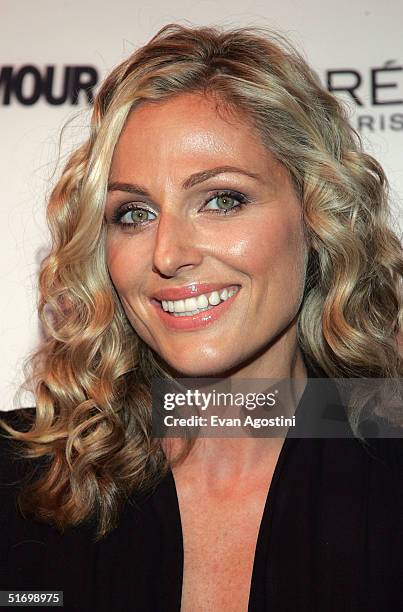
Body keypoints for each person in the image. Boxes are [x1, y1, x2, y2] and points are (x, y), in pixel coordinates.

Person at [0, 23, 402, 612]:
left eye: (222, 200)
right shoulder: (14, 478)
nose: (167, 253)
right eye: (133, 213)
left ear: (318, 216)